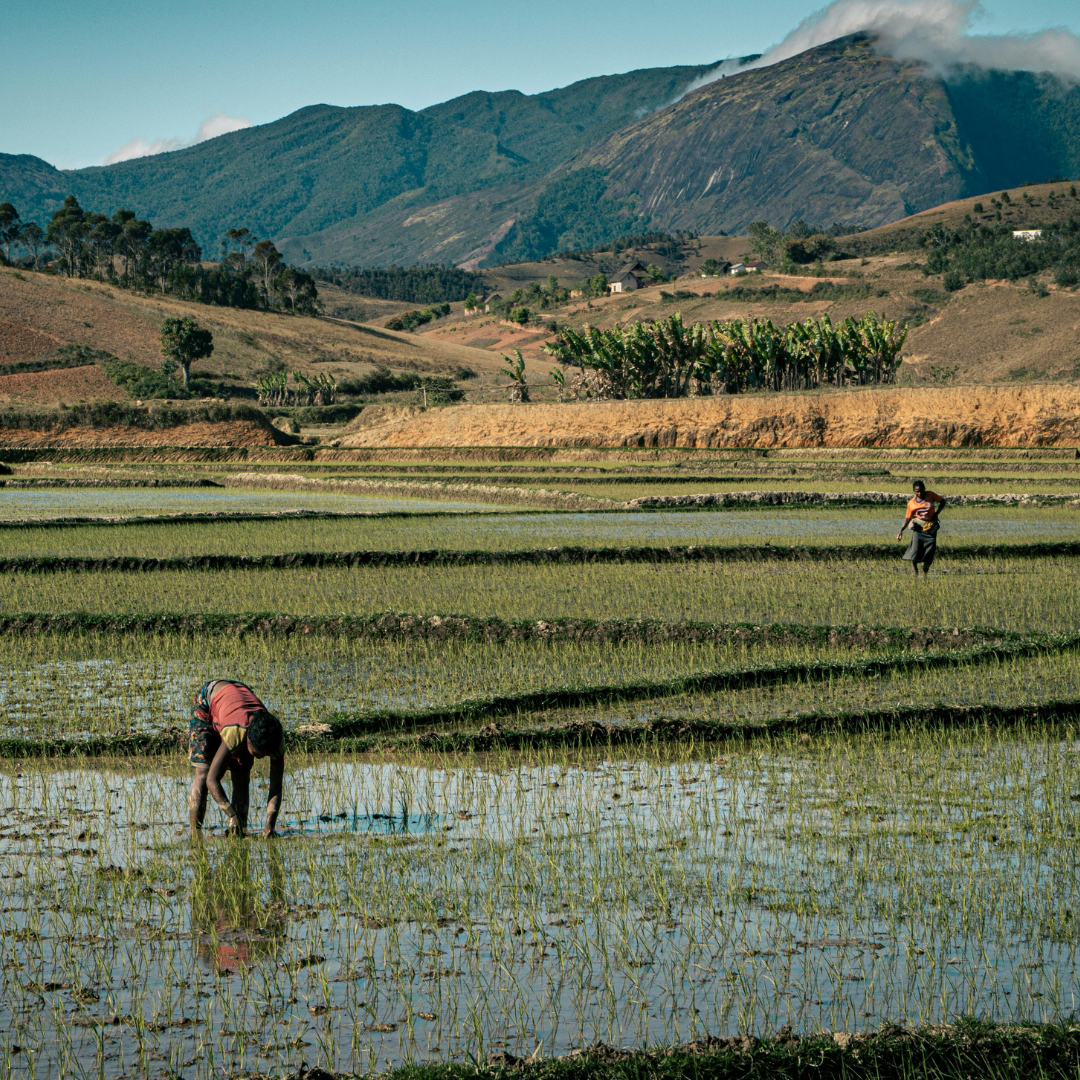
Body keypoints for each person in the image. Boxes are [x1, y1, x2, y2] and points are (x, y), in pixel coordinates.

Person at [187, 679, 285, 838]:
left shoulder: (276, 739)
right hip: (209, 699)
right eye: (256, 753)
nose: (259, 758)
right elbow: (212, 779)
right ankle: (195, 834)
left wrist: (270, 825)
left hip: (237, 697)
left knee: (242, 773)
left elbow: (276, 786)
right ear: (247, 739)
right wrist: (231, 814)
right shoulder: (236, 731)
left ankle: (238, 832)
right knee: (203, 773)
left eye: (264, 755)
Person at [897, 480, 946, 575]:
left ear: (924, 489)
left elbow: (942, 501)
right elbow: (907, 519)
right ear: (914, 491)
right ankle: (915, 569)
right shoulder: (911, 503)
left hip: (930, 527)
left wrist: (936, 513)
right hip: (918, 528)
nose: (919, 493)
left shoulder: (931, 495)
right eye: (917, 491)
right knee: (915, 549)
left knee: (930, 550)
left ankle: (925, 569)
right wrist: (900, 531)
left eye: (921, 491)